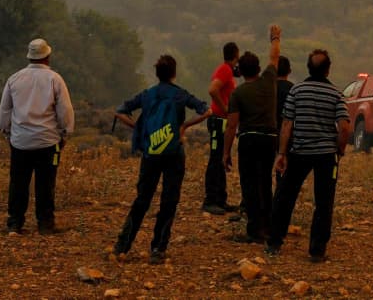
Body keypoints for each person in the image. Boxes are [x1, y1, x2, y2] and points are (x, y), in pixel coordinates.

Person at [112, 55, 212, 263]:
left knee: (142, 199)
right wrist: (184, 127)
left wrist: (140, 129)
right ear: (174, 73)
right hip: (174, 153)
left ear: (157, 74)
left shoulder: (147, 94)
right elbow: (207, 110)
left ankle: (123, 245)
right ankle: (158, 248)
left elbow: (120, 112)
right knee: (169, 200)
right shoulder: (180, 94)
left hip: (151, 154)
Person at [266, 48, 351, 262]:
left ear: (308, 68)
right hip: (326, 155)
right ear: (328, 70)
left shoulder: (297, 91)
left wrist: (282, 153)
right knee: (323, 202)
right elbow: (344, 127)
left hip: (299, 152)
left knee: (285, 196)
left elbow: (287, 124)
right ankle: (317, 249)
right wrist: (339, 149)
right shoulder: (336, 94)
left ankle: (275, 242)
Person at [0, 38, 75, 235]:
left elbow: (4, 112)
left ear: (30, 56)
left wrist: (7, 133)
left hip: (20, 142)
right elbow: (65, 111)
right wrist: (65, 133)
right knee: (46, 183)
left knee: (18, 183)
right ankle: (45, 223)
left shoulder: (14, 79)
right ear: (47, 56)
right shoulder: (55, 79)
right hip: (47, 141)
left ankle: (15, 222)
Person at [223, 25, 281, 243]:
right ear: (258, 68)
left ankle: (254, 229)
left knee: (249, 183)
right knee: (265, 181)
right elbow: (275, 57)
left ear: (240, 72)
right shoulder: (268, 81)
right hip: (269, 139)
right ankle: (267, 226)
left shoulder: (238, 93)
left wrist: (226, 152)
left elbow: (231, 126)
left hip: (248, 139)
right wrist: (275, 37)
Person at [203, 42, 240, 215]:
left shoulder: (227, 71)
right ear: (236, 56)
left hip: (221, 121)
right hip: (218, 120)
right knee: (215, 159)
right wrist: (224, 110)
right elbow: (212, 90)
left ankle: (220, 200)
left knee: (221, 159)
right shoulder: (225, 70)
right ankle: (210, 200)